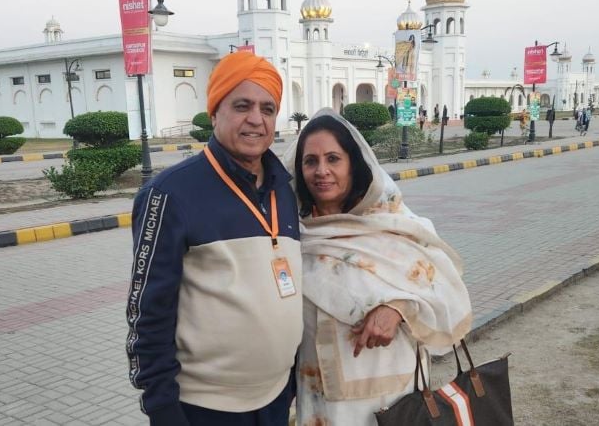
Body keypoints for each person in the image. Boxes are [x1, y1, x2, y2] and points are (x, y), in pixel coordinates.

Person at [126, 51, 302, 425]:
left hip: (275, 400)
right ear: (214, 112)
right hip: (206, 409)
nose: (256, 119)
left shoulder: (283, 191)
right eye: (242, 106)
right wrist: (162, 409)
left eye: (268, 109)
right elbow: (148, 313)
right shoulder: (170, 194)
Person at [283, 110, 472, 425]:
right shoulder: (294, 233)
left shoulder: (393, 224)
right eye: (311, 161)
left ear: (353, 165)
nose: (321, 171)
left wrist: (399, 309)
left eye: (333, 159)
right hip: (321, 401)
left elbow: (446, 289)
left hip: (394, 400)